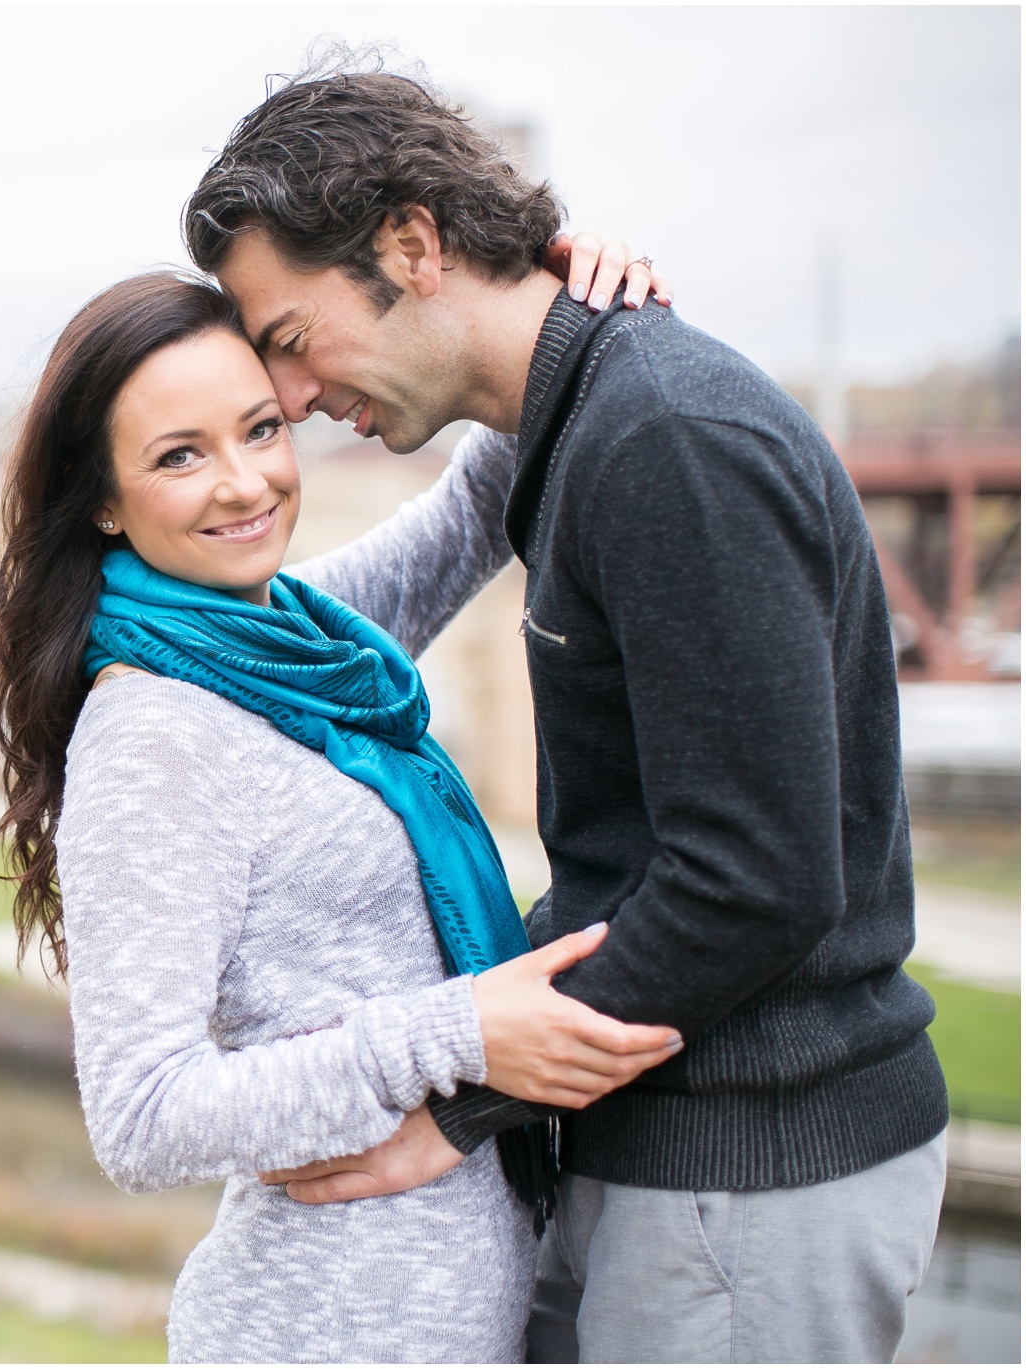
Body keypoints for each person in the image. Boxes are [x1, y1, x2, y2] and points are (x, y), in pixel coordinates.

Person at [184, 55, 951, 1364]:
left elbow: (755, 879)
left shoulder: (664, 439)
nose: (295, 402)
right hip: (673, 1143)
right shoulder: (582, 421)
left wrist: (458, 1101)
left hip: (746, 1169)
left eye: (295, 344)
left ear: (414, 245)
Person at [0, 237, 680, 1361]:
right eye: (178, 456)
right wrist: (458, 1033)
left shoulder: (289, 642)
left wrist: (550, 286)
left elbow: (477, 496)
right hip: (319, 1328)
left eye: (260, 428)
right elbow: (143, 1116)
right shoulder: (156, 731)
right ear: (102, 501)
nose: (246, 481)